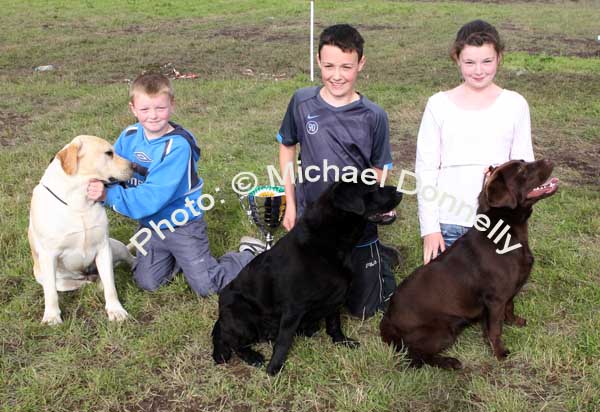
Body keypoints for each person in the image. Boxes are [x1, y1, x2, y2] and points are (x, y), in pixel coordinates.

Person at [86, 72, 265, 296]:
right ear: (133, 108)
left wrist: (107, 196)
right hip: (151, 227)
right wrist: (94, 181)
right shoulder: (130, 135)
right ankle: (181, 261)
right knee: (147, 282)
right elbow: (111, 169)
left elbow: (151, 198)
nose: (152, 116)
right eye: (144, 109)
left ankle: (247, 254)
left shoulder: (177, 147)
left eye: (160, 108)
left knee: (208, 287)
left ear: (172, 104)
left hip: (181, 224)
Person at [277, 24, 400, 319]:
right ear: (318, 61)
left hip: (356, 225)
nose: (337, 75)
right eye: (329, 65)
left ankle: (380, 260)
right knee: (309, 302)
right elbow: (287, 147)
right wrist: (290, 204)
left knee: (363, 310)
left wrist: (370, 207)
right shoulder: (302, 102)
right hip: (315, 221)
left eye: (346, 66)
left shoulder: (374, 115)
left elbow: (379, 169)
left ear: (361, 64)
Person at [415, 19, 534, 265]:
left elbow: (524, 170)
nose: (478, 70)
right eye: (469, 62)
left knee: (494, 296)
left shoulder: (515, 104)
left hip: (496, 225)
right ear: (456, 59)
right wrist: (430, 229)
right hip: (449, 223)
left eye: (486, 61)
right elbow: (426, 169)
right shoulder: (438, 105)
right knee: (447, 299)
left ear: (499, 57)